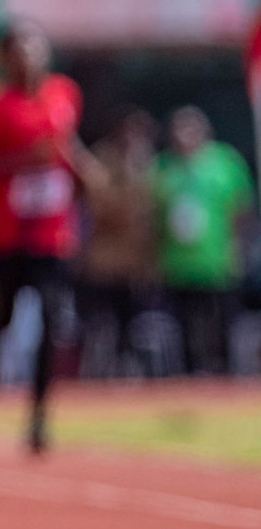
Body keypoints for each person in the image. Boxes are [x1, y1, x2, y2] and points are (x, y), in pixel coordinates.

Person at [0, 22, 94, 454]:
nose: (30, 56)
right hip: (7, 233)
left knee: (53, 319)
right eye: (20, 50)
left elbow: (65, 147)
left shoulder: (64, 94)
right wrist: (21, 162)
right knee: (6, 316)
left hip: (53, 234)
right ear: (5, 59)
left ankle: (38, 415)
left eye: (36, 46)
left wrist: (83, 173)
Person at [150, 106, 253, 375]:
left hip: (217, 262)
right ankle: (190, 379)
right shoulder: (163, 166)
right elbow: (152, 216)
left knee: (222, 324)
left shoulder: (225, 162)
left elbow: (241, 210)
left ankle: (226, 376)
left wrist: (237, 248)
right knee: (185, 326)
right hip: (178, 264)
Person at [76, 109, 159, 377]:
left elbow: (155, 209)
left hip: (136, 264)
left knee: (133, 325)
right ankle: (99, 375)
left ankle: (130, 373)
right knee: (101, 324)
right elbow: (102, 206)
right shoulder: (102, 162)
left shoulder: (151, 166)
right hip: (104, 263)